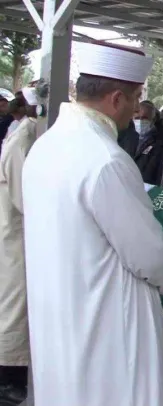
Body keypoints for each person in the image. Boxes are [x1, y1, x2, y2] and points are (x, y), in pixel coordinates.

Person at [21, 42, 163, 406]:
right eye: (136, 97)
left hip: (58, 314)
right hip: (106, 325)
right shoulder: (107, 159)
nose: (137, 109)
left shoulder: (46, 145)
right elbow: (151, 257)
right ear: (117, 99)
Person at [0, 87, 39, 404]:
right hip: (15, 235)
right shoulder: (24, 137)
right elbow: (23, 197)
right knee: (14, 308)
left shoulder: (27, 132)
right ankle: (9, 381)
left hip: (16, 234)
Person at [133, 101, 163, 184]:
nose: (140, 121)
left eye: (144, 118)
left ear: (153, 120)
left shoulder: (162, 141)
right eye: (137, 118)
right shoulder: (127, 137)